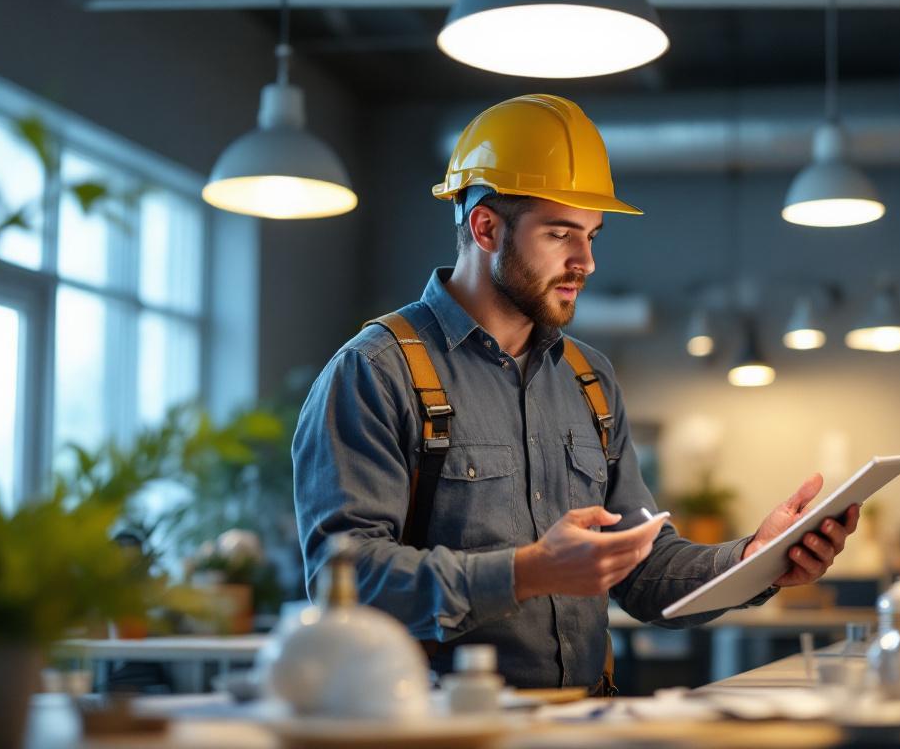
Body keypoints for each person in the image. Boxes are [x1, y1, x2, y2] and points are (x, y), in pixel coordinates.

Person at [293, 94, 861, 694]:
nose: (585, 261)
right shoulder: (376, 373)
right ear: (485, 227)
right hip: (444, 730)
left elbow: (642, 570)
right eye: (560, 234)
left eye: (591, 235)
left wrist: (753, 561)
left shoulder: (589, 379)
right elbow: (345, 579)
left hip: (587, 721)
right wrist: (526, 572)